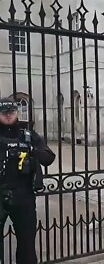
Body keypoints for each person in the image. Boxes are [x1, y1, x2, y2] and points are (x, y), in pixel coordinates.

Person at [0, 97, 55, 264]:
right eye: (4, 112)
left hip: (24, 195)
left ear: (16, 113)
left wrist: (31, 150)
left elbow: (49, 157)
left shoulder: (28, 136)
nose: (8, 115)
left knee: (27, 243)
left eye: (12, 112)